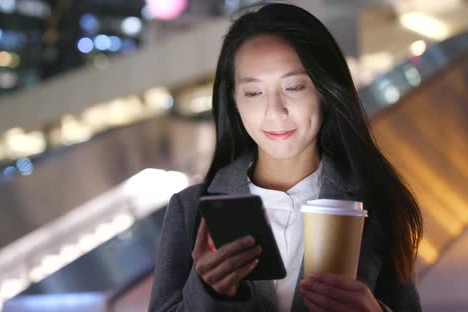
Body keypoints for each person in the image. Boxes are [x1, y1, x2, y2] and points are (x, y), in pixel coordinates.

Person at [148, 3, 423, 312]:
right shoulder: (192, 211)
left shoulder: (375, 203)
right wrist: (207, 292)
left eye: (293, 87)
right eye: (253, 93)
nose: (275, 111)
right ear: (234, 101)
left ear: (323, 89)